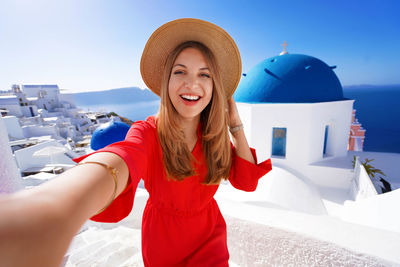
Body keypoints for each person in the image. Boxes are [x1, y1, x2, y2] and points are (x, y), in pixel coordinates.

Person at [0, 18, 272, 266]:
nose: (192, 84)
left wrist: (235, 126)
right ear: (166, 81)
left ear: (215, 88)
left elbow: (247, 183)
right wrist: (56, 207)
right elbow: (123, 156)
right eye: (180, 72)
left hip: (210, 238)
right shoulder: (149, 131)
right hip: (164, 244)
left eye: (205, 74)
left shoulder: (213, 137)